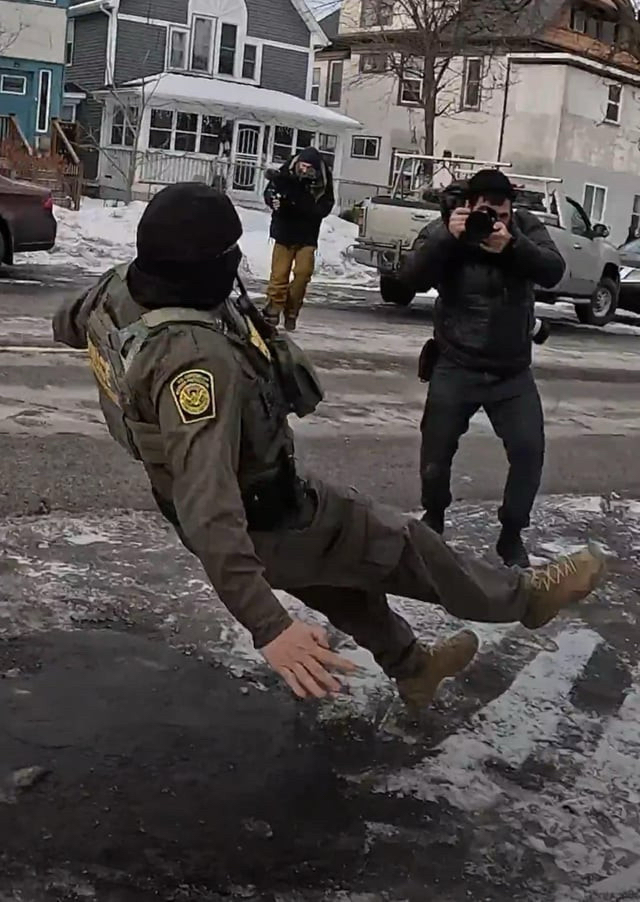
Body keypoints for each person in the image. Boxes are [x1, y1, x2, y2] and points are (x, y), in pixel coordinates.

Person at [52, 183, 605, 709]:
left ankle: (413, 668)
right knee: (398, 542)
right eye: (228, 255)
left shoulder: (121, 288)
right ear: (203, 268)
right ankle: (524, 597)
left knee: (334, 580)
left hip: (228, 513)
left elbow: (67, 324)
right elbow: (209, 506)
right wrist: (270, 628)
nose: (237, 263)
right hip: (264, 514)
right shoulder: (196, 362)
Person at [398, 169, 566, 569]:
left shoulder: (523, 228)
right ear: (470, 205)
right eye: (487, 212)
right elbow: (408, 280)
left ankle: (511, 534)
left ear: (512, 210)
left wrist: (513, 245)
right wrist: (446, 237)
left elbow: (553, 270)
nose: (494, 221)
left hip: (511, 371)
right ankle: (434, 515)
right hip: (456, 363)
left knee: (528, 451)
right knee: (435, 451)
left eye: (503, 214)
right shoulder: (449, 227)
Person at [262, 146, 334, 332]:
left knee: (303, 274)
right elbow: (270, 192)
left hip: (307, 234)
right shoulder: (285, 174)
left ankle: (292, 310)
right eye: (303, 166)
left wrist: (303, 206)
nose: (304, 170)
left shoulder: (322, 182)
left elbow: (325, 206)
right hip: (284, 231)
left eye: (309, 168)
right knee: (279, 275)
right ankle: (273, 309)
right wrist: (274, 201)